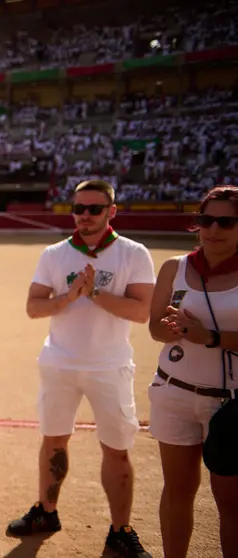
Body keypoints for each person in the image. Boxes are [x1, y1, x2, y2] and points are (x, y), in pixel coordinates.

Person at [8, 179, 154, 558]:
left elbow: (142, 311)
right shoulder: (55, 254)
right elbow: (33, 307)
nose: (85, 216)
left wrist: (94, 294)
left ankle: (120, 530)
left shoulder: (133, 253)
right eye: (79, 209)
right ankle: (46, 511)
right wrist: (69, 296)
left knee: (117, 449)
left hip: (110, 365)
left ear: (111, 212)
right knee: (54, 440)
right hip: (59, 362)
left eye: (94, 209)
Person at [148, 185, 238, 558]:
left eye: (226, 221)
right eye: (206, 220)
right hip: (175, 392)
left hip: (230, 405)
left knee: (231, 503)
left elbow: (208, 336)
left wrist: (210, 337)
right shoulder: (175, 267)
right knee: (177, 491)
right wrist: (168, 330)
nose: (213, 229)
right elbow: (154, 328)